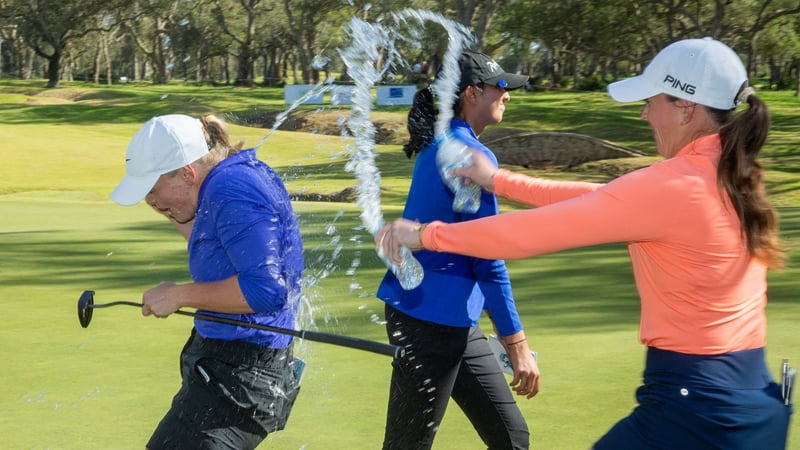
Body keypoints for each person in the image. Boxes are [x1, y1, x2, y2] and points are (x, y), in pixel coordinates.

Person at [377, 38, 792, 449]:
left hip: (692, 404)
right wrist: (497, 180)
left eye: (651, 102)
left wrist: (425, 235)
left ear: (685, 109)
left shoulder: (673, 185)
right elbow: (605, 197)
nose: (645, 114)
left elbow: (524, 234)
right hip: (753, 398)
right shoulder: (727, 174)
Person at [110, 114, 305, 449]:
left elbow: (265, 290)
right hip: (228, 369)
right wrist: (171, 207)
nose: (150, 202)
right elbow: (214, 246)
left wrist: (179, 295)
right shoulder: (222, 182)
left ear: (187, 173)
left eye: (153, 190)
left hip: (242, 375)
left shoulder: (232, 187)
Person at [378, 51, 540, 450]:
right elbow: (487, 257)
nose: (507, 94)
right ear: (471, 93)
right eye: (499, 87)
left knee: (511, 436)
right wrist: (516, 345)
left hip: (447, 318)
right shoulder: (469, 155)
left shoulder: (445, 141)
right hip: (429, 320)